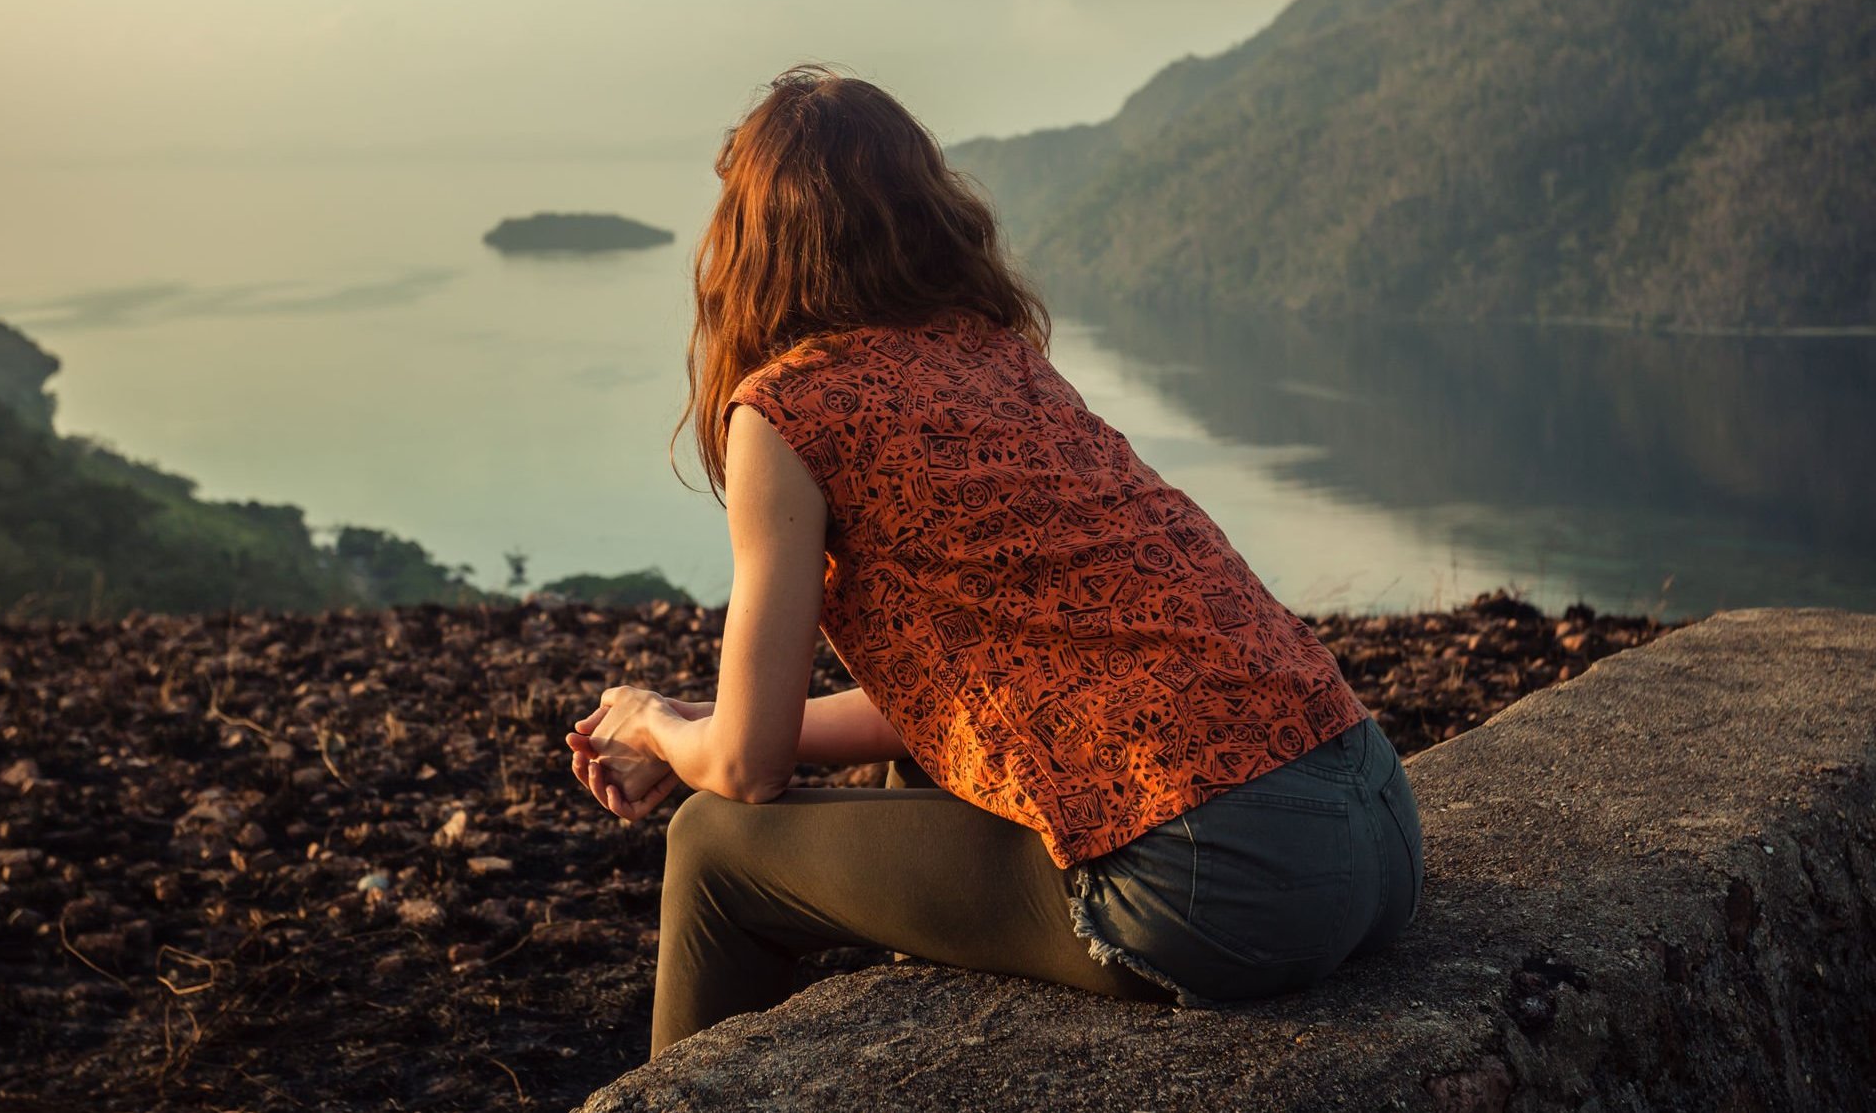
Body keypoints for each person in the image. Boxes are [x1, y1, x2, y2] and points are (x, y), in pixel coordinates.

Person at [564, 64, 1424, 1058]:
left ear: (749, 245)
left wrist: (661, 725)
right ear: (925, 209)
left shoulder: (788, 409)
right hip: (1375, 828)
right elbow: (951, 700)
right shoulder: (997, 357)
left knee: (712, 846)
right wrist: (710, 725)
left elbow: (748, 773)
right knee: (904, 761)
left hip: (1230, 887)